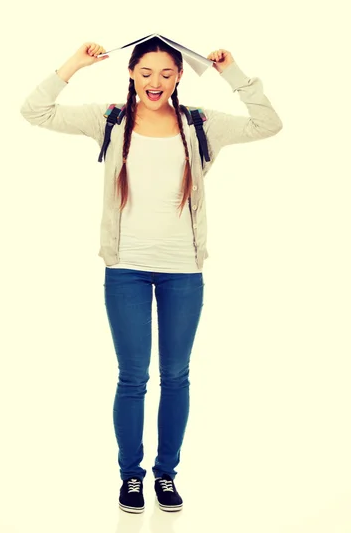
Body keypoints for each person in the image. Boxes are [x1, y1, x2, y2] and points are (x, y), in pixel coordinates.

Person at [20, 36, 283, 514]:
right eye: (146, 73)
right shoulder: (111, 120)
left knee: (176, 376)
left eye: (165, 73)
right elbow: (35, 111)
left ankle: (166, 474)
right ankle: (130, 477)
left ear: (180, 76)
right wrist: (74, 64)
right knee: (133, 377)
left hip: (183, 270)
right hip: (127, 270)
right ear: (132, 74)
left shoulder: (201, 123)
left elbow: (269, 123)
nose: (155, 83)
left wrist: (233, 73)